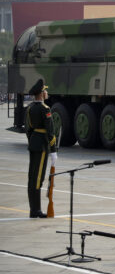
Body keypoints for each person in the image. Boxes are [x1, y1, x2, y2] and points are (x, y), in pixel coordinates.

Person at [25, 79, 57, 218]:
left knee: (32, 176)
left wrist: (33, 141)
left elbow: (29, 129)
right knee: (38, 177)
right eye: (45, 90)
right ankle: (36, 210)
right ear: (41, 94)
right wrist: (53, 150)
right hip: (42, 146)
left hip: (33, 143)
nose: (46, 92)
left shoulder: (30, 108)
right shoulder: (45, 109)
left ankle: (34, 209)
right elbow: (50, 131)